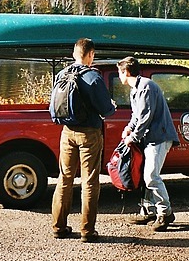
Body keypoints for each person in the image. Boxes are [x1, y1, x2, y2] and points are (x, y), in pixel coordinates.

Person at [51, 38, 116, 242]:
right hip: (89, 134)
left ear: (74, 54)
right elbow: (106, 109)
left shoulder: (62, 74)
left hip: (67, 131)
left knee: (65, 178)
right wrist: (112, 106)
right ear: (91, 54)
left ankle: (58, 227)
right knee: (89, 181)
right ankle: (87, 231)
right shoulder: (92, 77)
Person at [117, 56, 181, 232]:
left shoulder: (146, 86)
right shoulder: (136, 89)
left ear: (126, 71)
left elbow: (146, 116)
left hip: (159, 138)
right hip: (150, 139)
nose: (119, 76)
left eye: (119, 72)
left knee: (151, 176)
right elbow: (136, 116)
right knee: (146, 176)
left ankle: (165, 212)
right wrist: (128, 128)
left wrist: (134, 136)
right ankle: (149, 211)